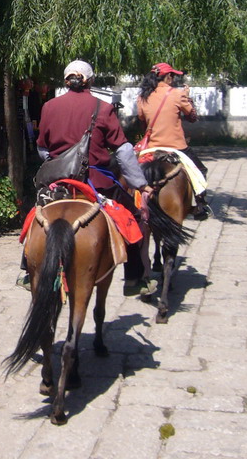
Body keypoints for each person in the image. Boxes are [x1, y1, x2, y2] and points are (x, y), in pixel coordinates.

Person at [22, 60, 155, 295]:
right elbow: (123, 151)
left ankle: (26, 269)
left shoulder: (49, 107)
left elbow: (43, 150)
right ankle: (135, 280)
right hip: (96, 185)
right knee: (132, 217)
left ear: (66, 80)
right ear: (90, 81)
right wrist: (140, 185)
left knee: (36, 216)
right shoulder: (103, 109)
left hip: (59, 185)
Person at [136, 62, 210, 219]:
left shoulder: (142, 97)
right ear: (168, 77)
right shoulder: (177, 94)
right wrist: (187, 97)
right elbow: (192, 117)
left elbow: (142, 122)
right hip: (176, 146)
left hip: (151, 147)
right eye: (173, 76)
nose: (174, 79)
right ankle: (200, 206)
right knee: (201, 170)